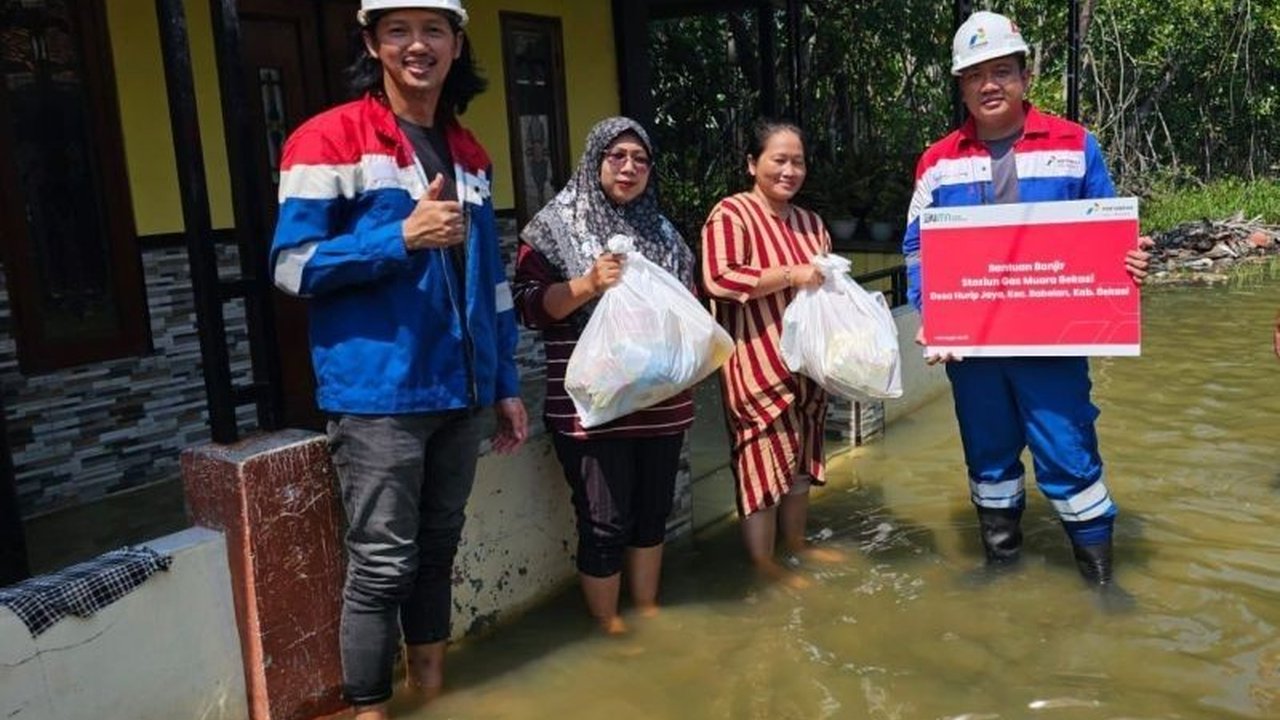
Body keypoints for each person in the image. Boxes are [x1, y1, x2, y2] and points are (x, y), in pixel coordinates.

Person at [268, 1, 527, 717]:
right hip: (379, 397)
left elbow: (493, 285)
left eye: (433, 29)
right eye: (398, 30)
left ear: (456, 42)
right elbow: (291, 268)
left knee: (439, 550)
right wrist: (400, 238)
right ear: (373, 43)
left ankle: (437, 696)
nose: (418, 45)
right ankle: (371, 711)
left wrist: (504, 382)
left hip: (462, 392)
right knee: (382, 566)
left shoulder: (471, 154)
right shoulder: (328, 141)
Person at [901, 11, 1151, 590]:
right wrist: (932, 313)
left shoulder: (1075, 144)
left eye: (1002, 71)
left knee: (1068, 454)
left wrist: (1130, 264)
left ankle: (1102, 584)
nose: (990, 84)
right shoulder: (936, 162)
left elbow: (1111, 235)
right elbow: (917, 246)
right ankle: (1002, 571)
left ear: (1024, 75)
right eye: (975, 74)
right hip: (972, 347)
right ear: (961, 85)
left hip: (1052, 342)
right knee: (988, 458)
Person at [512, 117, 695, 635]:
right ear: (595, 162)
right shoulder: (553, 228)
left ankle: (648, 609)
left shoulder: (663, 232)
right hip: (591, 407)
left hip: (659, 403)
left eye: (640, 158)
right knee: (603, 521)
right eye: (617, 156)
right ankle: (609, 626)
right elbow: (528, 308)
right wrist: (588, 283)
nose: (630, 167)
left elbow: (687, 307)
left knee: (651, 514)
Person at [701, 119, 842, 587]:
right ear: (752, 163)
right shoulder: (731, 214)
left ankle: (797, 544)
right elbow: (719, 279)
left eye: (797, 161)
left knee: (800, 460)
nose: (788, 170)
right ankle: (763, 563)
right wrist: (790, 275)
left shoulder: (811, 222)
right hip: (756, 365)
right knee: (761, 463)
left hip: (808, 365)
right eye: (778, 159)